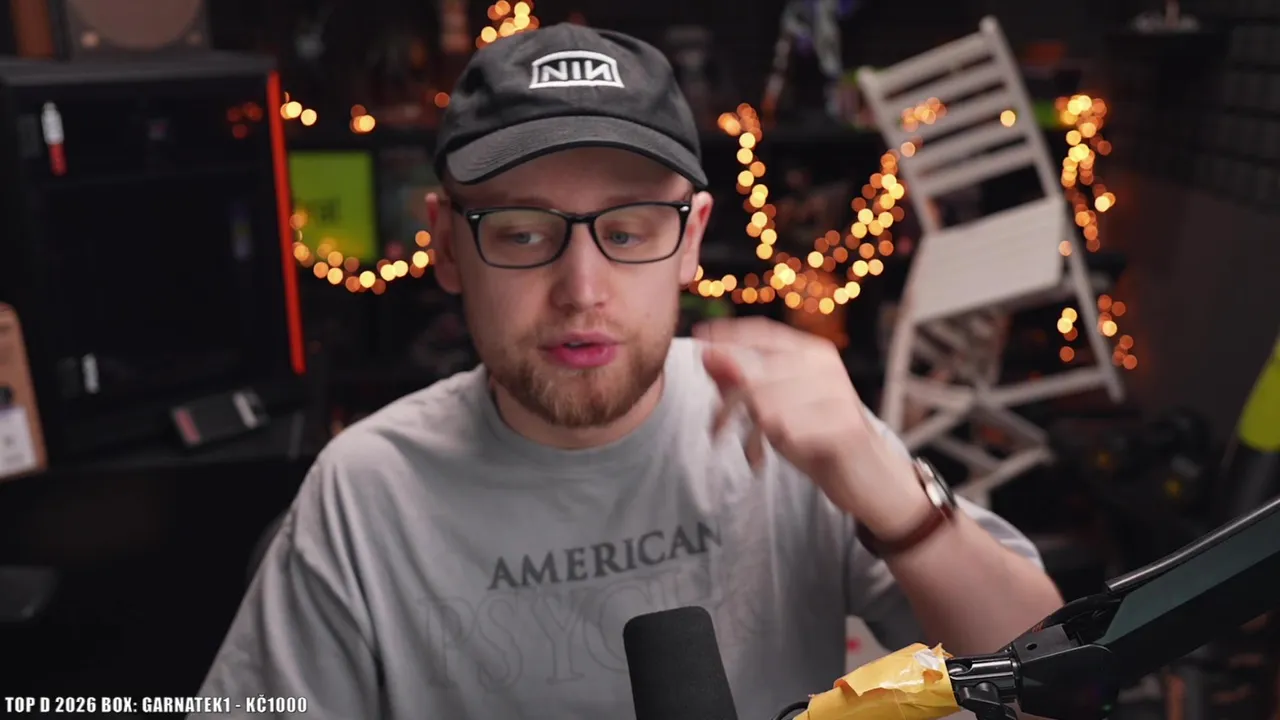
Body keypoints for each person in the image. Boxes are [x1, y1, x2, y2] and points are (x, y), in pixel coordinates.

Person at [194, 23, 1063, 719]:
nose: (582, 291)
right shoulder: (365, 492)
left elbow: (1053, 686)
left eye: (629, 229)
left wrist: (895, 499)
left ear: (690, 240)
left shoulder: (792, 429)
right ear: (448, 246)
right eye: (522, 232)